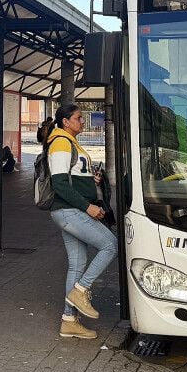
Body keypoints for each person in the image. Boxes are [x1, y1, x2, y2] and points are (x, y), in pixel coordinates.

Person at [46, 103, 118, 341]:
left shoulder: (70, 142)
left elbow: (73, 177)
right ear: (66, 122)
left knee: (77, 265)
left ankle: (69, 322)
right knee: (110, 245)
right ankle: (80, 291)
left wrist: (92, 180)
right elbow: (59, 183)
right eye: (78, 118)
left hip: (71, 211)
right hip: (70, 211)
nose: (82, 121)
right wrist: (88, 206)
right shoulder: (61, 142)